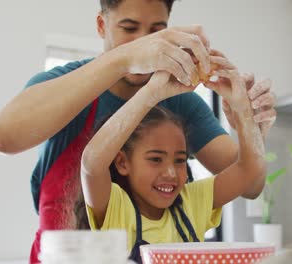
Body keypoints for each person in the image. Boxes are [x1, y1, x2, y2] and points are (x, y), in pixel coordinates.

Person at [0, 0, 276, 263]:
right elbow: (4, 137)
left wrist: (248, 123)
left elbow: (249, 184)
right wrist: (125, 59)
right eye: (129, 29)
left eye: (156, 31)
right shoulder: (66, 85)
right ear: (102, 25)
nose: (144, 43)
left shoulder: (179, 98)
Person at [80, 61, 267, 263]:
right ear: (123, 163)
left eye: (180, 160)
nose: (170, 172)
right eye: (155, 159)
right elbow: (92, 163)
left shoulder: (192, 202)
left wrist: (243, 113)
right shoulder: (116, 209)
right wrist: (151, 94)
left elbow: (249, 170)